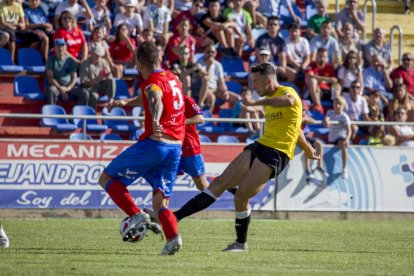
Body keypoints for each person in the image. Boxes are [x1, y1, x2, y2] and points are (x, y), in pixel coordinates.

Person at [172, 63, 320, 252]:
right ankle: (175, 218)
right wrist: (307, 147)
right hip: (260, 145)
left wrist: (255, 103)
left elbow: (290, 102)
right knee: (219, 183)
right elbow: (295, 124)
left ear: (268, 81)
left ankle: (241, 244)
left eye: (256, 82)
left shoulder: (287, 91)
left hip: (277, 153)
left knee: (241, 196)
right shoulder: (269, 98)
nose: (254, 87)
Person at [98, 42, 186, 256]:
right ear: (159, 59)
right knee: (160, 201)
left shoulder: (151, 82)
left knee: (106, 178)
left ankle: (136, 215)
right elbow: (151, 96)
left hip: (155, 144)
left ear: (139, 64)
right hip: (175, 148)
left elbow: (154, 97)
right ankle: (173, 239)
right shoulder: (173, 78)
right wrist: (126, 102)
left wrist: (155, 118)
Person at [46, 38, 89, 105]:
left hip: (68, 86)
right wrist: (61, 90)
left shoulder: (70, 60)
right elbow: (50, 79)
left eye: (62, 46)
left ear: (65, 48)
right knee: (51, 90)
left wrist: (69, 87)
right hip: (56, 86)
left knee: (84, 93)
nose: (60, 49)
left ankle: (78, 113)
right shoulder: (51, 61)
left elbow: (74, 77)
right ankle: (52, 112)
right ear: (54, 48)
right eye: (58, 46)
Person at [78, 42, 116, 109]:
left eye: (100, 55)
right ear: (92, 53)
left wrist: (108, 73)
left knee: (111, 79)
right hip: (90, 87)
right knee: (95, 97)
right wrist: (97, 79)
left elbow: (109, 75)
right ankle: (92, 114)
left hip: (102, 85)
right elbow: (83, 84)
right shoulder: (84, 64)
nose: (99, 57)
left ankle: (111, 100)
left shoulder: (103, 62)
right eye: (97, 55)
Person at [324, 96, 351, 179]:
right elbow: (326, 118)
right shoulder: (330, 112)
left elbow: (349, 130)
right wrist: (326, 121)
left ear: (343, 106)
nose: (337, 106)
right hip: (332, 138)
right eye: (336, 104)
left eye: (340, 104)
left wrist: (347, 139)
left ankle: (344, 169)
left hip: (340, 137)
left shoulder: (345, 116)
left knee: (342, 144)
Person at [304, 47, 337, 113]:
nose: (322, 58)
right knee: (313, 81)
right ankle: (318, 105)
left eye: (324, 57)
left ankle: (335, 103)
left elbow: (334, 80)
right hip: (315, 91)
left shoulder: (329, 67)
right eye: (320, 56)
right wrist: (327, 79)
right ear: (316, 56)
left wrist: (320, 79)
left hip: (327, 91)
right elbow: (309, 76)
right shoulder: (311, 65)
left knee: (336, 85)